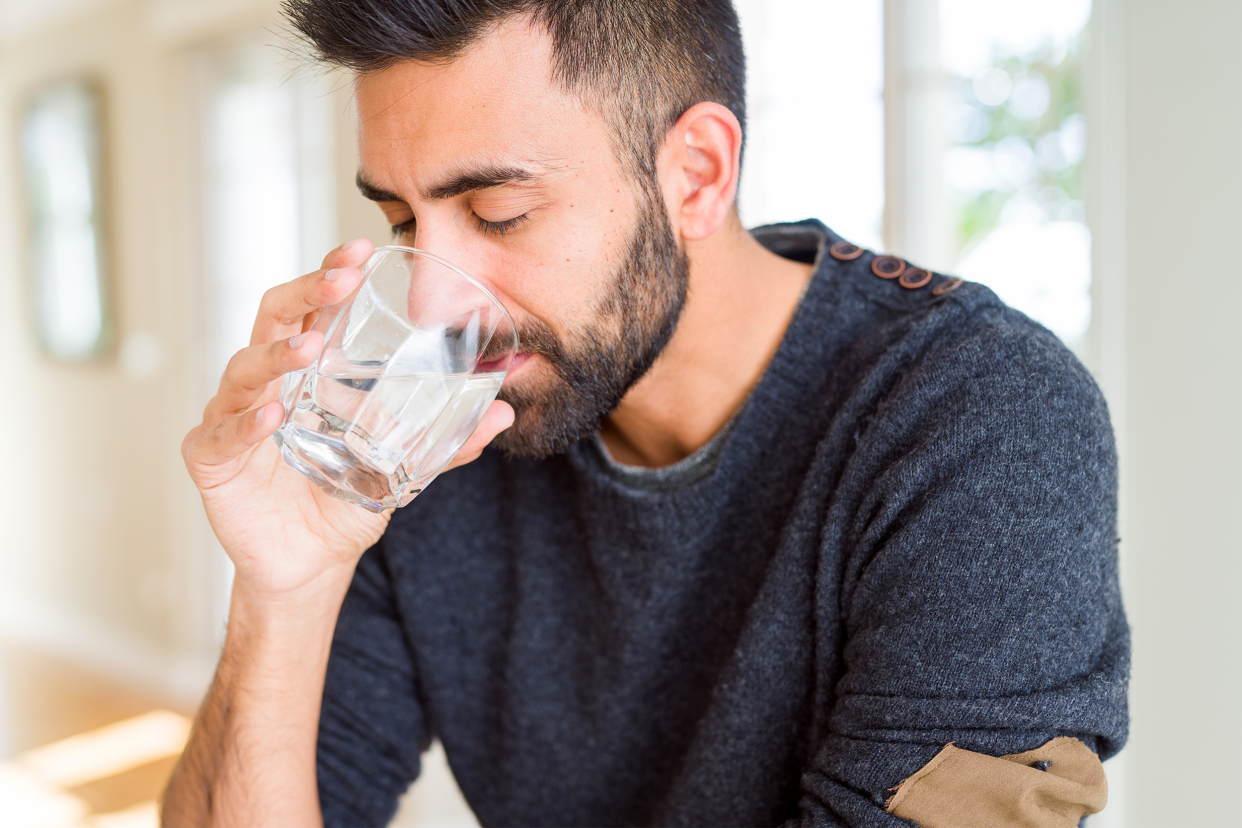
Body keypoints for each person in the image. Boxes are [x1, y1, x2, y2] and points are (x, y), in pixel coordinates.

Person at [164, 1, 1129, 826]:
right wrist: (282, 589)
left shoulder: (974, 421)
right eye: (404, 224)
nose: (429, 309)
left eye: (500, 212)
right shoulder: (430, 425)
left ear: (696, 174)